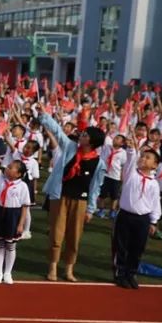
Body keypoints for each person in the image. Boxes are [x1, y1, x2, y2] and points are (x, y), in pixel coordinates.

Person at [38, 113, 106, 282]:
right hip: (60, 196)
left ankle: (69, 269)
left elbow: (95, 187)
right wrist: (44, 115)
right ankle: (52, 267)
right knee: (56, 233)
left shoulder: (99, 163)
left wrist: (91, 209)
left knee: (74, 236)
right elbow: (58, 132)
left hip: (80, 201)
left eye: (85, 135)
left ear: (91, 142)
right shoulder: (70, 148)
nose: (81, 136)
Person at [111, 146, 162, 290]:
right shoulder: (131, 174)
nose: (143, 159)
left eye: (148, 158)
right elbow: (130, 159)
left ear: (155, 165)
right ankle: (120, 273)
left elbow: (155, 202)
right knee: (121, 245)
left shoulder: (154, 183)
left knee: (137, 248)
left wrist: (153, 221)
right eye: (142, 156)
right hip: (125, 215)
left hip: (142, 219)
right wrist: (132, 149)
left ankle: (131, 273)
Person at [0, 142, 30, 285]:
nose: (7, 168)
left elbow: (24, 207)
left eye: (11, 168)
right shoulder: (0, 179)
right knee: (0, 244)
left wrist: (21, 224)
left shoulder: (22, 186)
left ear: (19, 174)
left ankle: (8, 273)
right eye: (8, 166)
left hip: (13, 215)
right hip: (0, 213)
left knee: (11, 245)